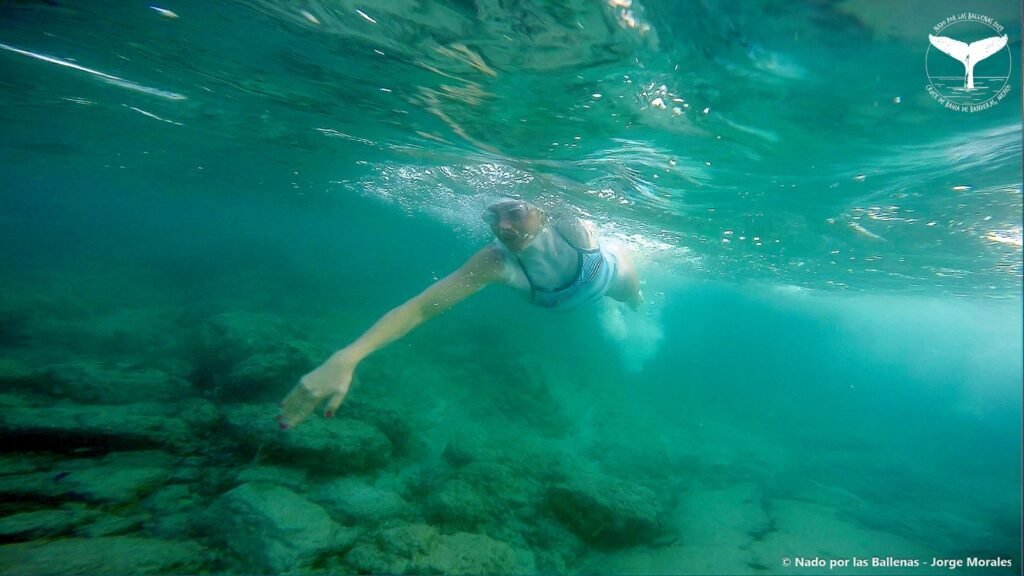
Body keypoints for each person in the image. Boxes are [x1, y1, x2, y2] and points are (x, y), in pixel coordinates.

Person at [277, 199, 643, 430]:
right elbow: (420, 308)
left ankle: (637, 311)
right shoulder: (494, 262)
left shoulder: (569, 223)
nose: (503, 227)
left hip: (609, 278)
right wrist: (349, 356)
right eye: (493, 216)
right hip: (558, 301)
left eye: (514, 212)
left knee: (633, 299)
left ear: (542, 210)